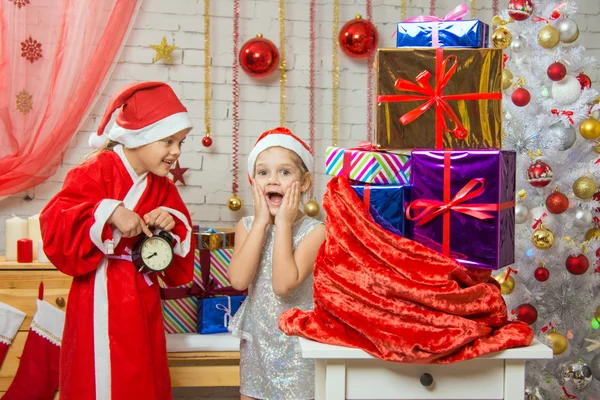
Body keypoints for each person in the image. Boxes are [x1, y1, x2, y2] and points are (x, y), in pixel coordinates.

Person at [40, 82, 195, 400]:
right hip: (97, 293)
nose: (177, 151)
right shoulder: (96, 169)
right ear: (140, 137)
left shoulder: (161, 185)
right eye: (169, 140)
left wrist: (169, 223)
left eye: (180, 142)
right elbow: (56, 219)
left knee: (140, 374)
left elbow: (180, 233)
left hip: (141, 295)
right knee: (97, 374)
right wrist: (108, 212)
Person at [228, 127, 326, 400]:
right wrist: (261, 222)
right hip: (258, 344)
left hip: (298, 349)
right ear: (253, 181)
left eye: (285, 172)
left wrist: (282, 222)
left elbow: (283, 285)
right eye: (263, 173)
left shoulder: (315, 231)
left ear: (304, 182)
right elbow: (238, 281)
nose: (273, 180)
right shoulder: (247, 226)